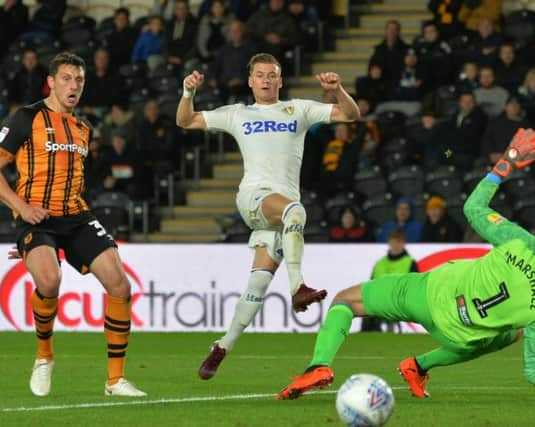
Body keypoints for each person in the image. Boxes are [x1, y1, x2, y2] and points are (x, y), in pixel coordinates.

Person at [276, 128, 535, 404]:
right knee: (509, 334)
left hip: (428, 294)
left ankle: (318, 365)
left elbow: (473, 208)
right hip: (460, 336)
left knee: (346, 300)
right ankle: (418, 366)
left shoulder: (522, 242)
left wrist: (506, 162)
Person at [176, 52, 360, 380]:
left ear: (280, 80)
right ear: (250, 81)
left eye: (271, 75)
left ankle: (222, 346)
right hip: (255, 198)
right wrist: (188, 93)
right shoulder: (238, 114)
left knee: (258, 283)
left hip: (280, 217)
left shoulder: (298, 109)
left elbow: (351, 114)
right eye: (259, 75)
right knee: (296, 210)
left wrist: (339, 89)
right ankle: (297, 287)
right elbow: (185, 121)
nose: (265, 80)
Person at [0, 52, 146, 397]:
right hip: (37, 216)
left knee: (120, 286)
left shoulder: (83, 128)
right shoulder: (26, 118)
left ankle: (115, 380)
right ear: (50, 82)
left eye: (79, 80)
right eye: (66, 78)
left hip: (77, 215)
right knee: (49, 280)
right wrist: (22, 209)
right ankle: (44, 356)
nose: (73, 86)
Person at [362, 228, 417, 332]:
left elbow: (414, 288)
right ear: (389, 242)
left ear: (403, 243)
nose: (395, 245)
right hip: (379, 300)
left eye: (399, 242)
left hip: (399, 301)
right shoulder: (379, 263)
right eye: (393, 241)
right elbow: (370, 286)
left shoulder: (410, 263)